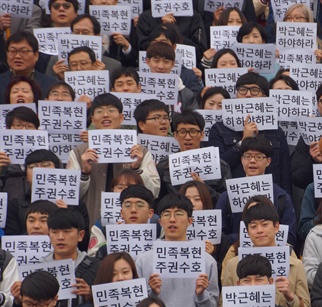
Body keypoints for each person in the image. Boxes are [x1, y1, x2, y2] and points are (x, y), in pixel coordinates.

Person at [135, 194, 219, 307]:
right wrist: (152, 293)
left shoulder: (206, 261)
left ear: (190, 221)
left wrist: (201, 294)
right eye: (166, 214)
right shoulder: (143, 260)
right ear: (160, 222)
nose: (172, 220)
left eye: (178, 214)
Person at [67, 93, 160, 224]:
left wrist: (137, 169)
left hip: (131, 224)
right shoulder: (78, 153)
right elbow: (69, 196)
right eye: (99, 111)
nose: (106, 115)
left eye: (111, 110)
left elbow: (154, 191)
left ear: (121, 117)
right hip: (92, 222)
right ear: (93, 120)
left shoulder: (140, 151)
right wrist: (84, 173)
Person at [220, 202, 310, 307]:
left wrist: (291, 298)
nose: (260, 230)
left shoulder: (295, 265)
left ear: (277, 227)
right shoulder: (233, 264)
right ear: (246, 231)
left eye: (265, 224)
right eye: (253, 226)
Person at [207, 72, 292, 195]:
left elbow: (285, 176)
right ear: (235, 94)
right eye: (242, 90)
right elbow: (217, 169)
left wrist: (285, 203)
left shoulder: (276, 131)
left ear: (264, 96)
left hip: (269, 198)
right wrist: (243, 142)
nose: (248, 95)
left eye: (254, 90)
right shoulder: (219, 128)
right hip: (234, 196)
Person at [215, 135, 296, 247]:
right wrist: (245, 237)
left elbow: (290, 236)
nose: (252, 161)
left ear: (268, 161)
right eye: (247, 156)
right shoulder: (227, 196)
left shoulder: (281, 197)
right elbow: (219, 235)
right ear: (241, 160)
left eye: (258, 157)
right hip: (236, 254)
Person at [156, 109, 231, 208]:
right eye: (182, 132)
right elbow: (158, 203)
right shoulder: (164, 166)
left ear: (202, 135)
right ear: (175, 135)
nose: (187, 137)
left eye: (193, 131)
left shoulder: (220, 166)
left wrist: (205, 190)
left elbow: (227, 203)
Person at [0, 32, 57, 104]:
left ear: (36, 55)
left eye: (23, 51)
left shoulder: (51, 84)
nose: (17, 56)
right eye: (13, 51)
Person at [144, 42, 198, 110]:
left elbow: (192, 118)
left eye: (166, 62)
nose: (160, 66)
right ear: (147, 61)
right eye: (156, 61)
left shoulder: (187, 95)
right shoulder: (137, 90)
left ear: (173, 64)